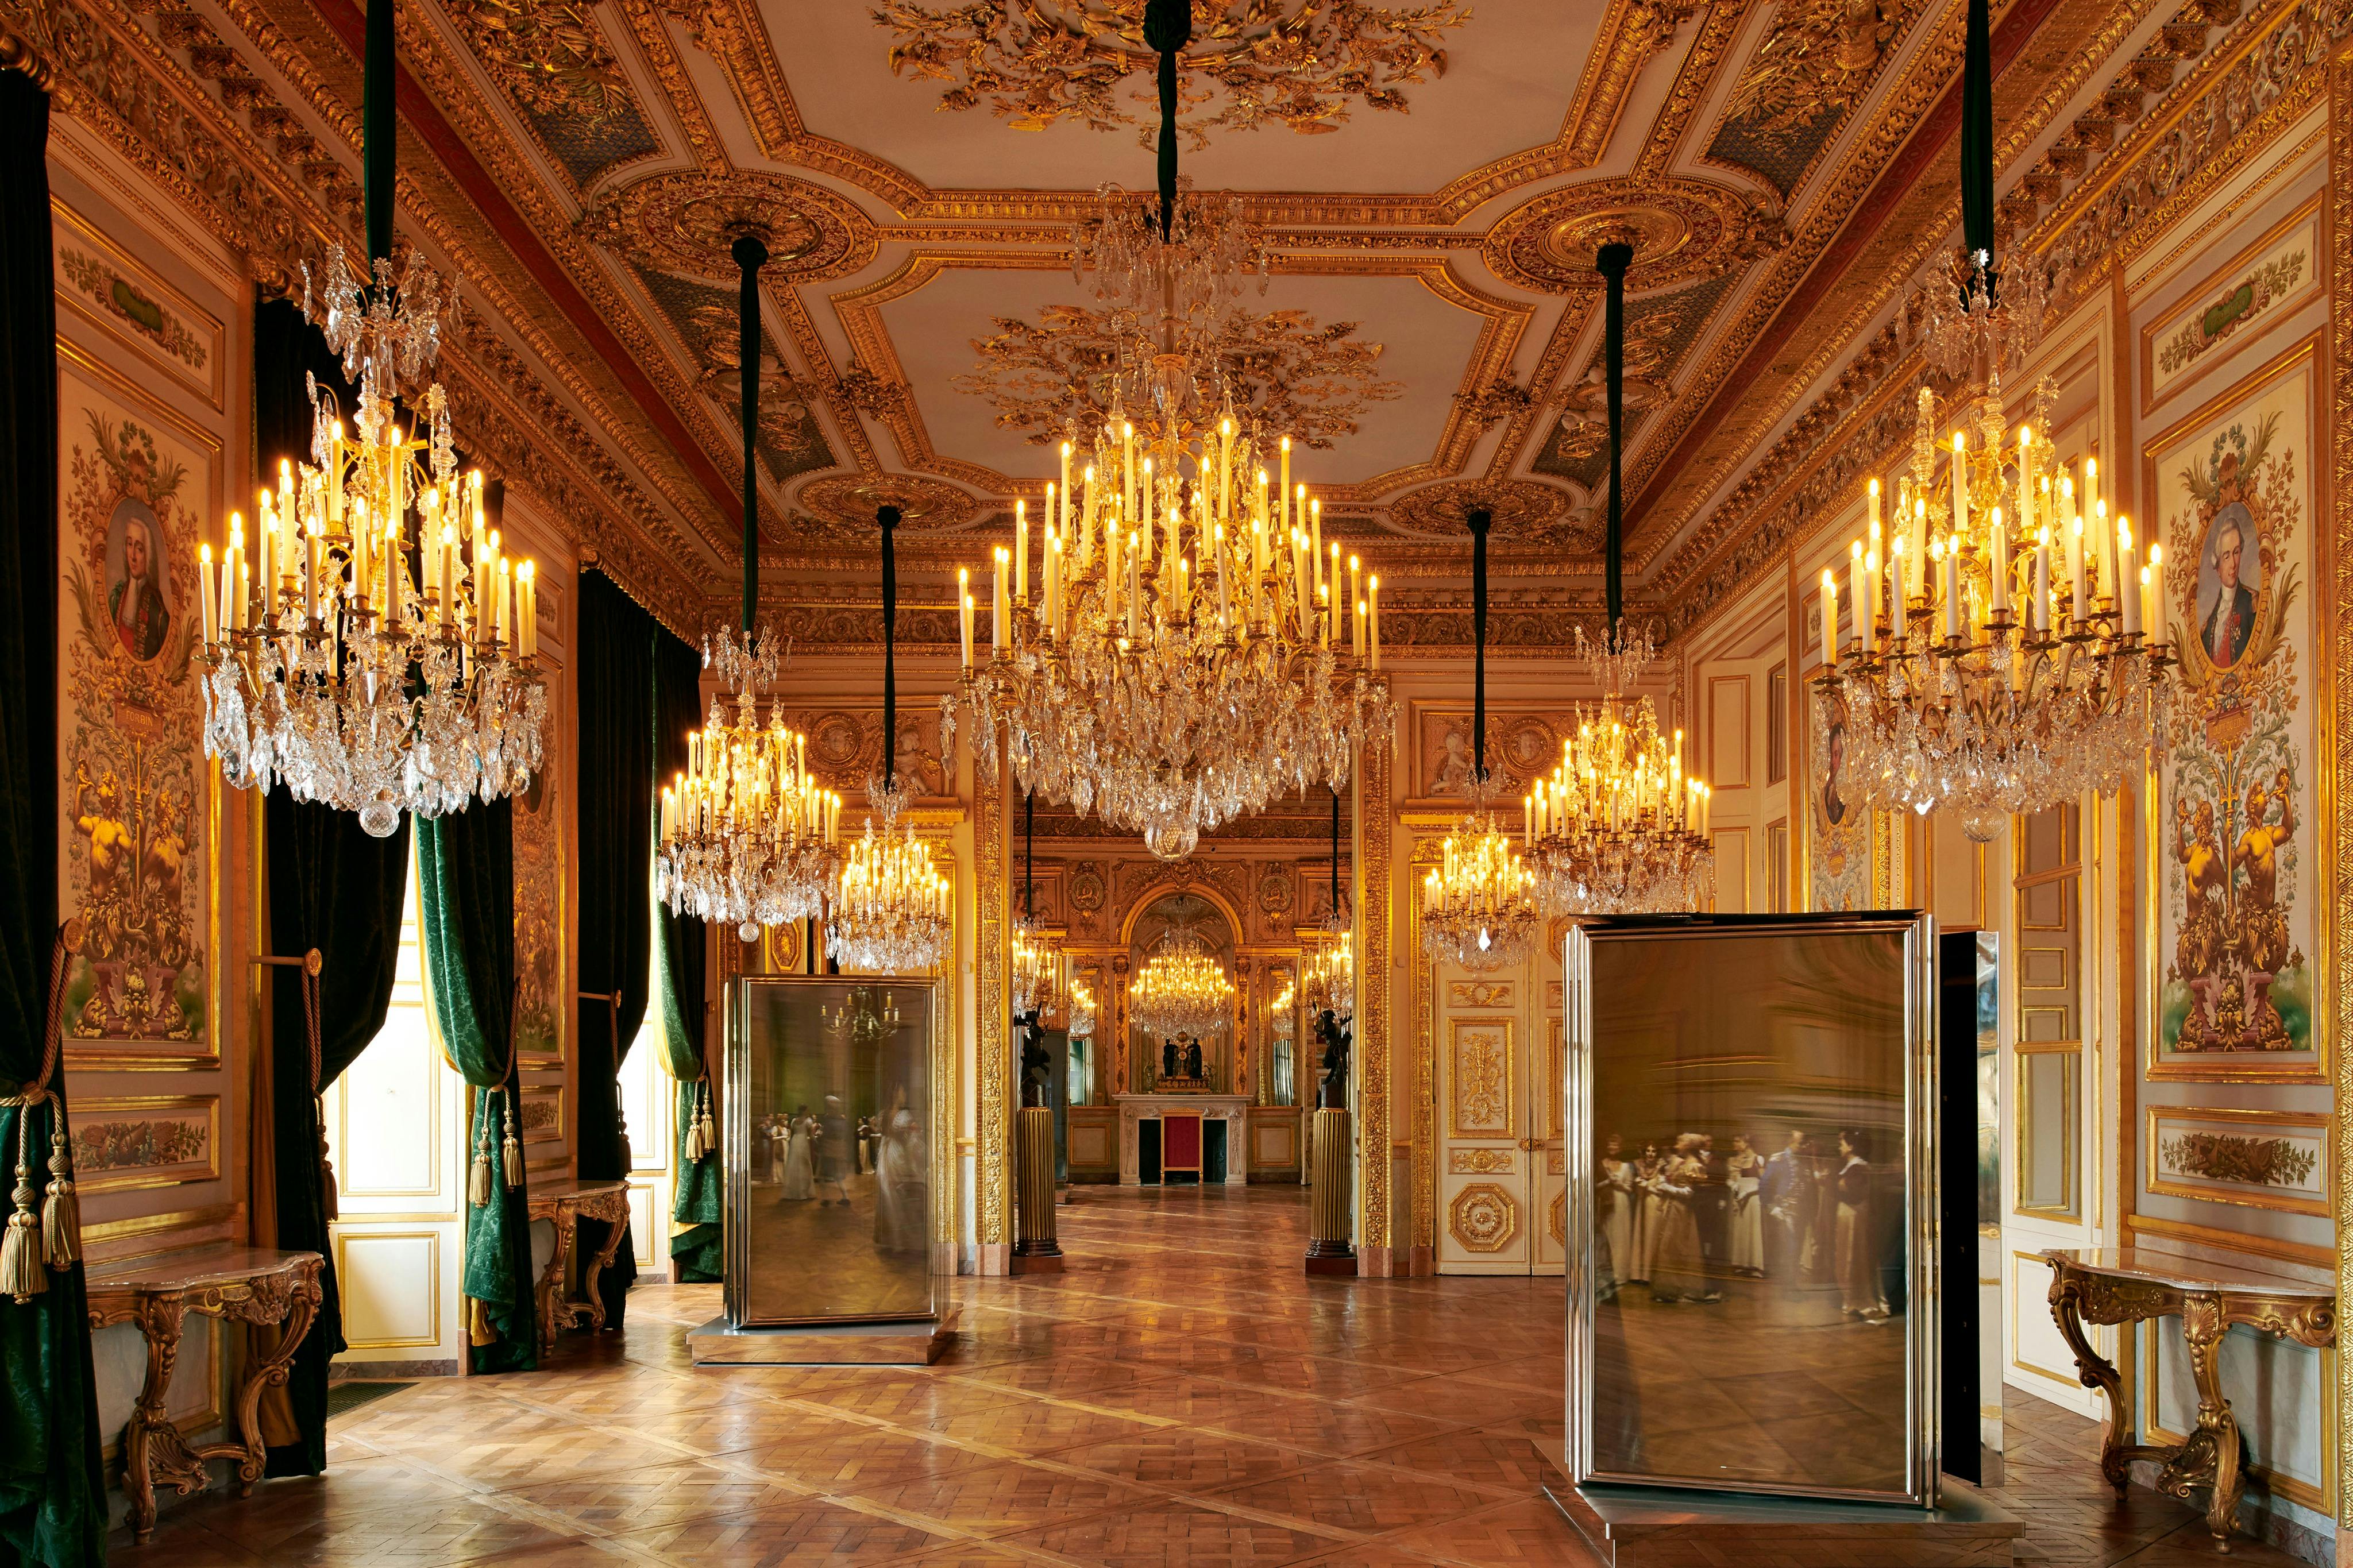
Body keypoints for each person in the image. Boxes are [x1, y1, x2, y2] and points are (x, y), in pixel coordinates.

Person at [1647, 1134, 1717, 1303]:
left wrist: (1666, 1187)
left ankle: (1680, 1289)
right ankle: (1668, 1289)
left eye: (1680, 1143)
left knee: (1679, 1248)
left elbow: (1689, 1192)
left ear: (1689, 1146)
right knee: (1670, 1248)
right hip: (1674, 1209)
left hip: (1683, 1211)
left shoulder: (1694, 1165)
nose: (1677, 1146)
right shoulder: (1683, 1163)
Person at [1835, 1130, 1888, 1320]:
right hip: (1847, 1217)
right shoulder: (1850, 1167)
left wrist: (1841, 1186)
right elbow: (1838, 1187)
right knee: (1846, 1258)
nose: (1839, 1147)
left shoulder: (1859, 1167)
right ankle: (1850, 1299)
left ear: (1851, 1147)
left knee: (1855, 1257)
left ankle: (1859, 1299)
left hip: (1854, 1219)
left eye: (1842, 1144)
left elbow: (1852, 1192)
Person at [110, 515, 169, 661]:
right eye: (130, 545)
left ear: (148, 555)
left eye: (140, 549)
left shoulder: (158, 611)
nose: (133, 556)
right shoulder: (119, 596)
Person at [2201, 515, 2256, 669]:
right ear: (2218, 567)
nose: (2233, 564)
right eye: (2226, 557)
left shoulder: (2252, 603)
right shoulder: (2208, 626)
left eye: (2236, 552)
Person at [874, 1098, 925, 1252]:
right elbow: (913, 1134)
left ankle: (894, 1238)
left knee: (892, 1195)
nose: (903, 1097)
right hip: (894, 1155)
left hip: (888, 1153)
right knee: (893, 1197)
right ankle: (896, 1239)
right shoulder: (901, 1115)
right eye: (901, 1093)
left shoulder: (885, 1115)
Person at [1761, 1130, 1808, 1281]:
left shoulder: (1804, 1160)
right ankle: (1787, 1285)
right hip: (1784, 1211)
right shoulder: (1778, 1159)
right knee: (1788, 1249)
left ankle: (1791, 1284)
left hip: (1801, 1212)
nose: (1803, 1146)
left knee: (1797, 1249)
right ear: (1791, 1142)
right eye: (1800, 1143)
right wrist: (1771, 1207)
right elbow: (1765, 1184)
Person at [1598, 1134, 1634, 1301]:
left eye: (1616, 1145)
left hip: (1622, 1202)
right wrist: (1608, 1182)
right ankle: (1609, 1274)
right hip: (1607, 1202)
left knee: (1621, 1238)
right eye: (1611, 1145)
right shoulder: (1603, 1164)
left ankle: (1621, 1275)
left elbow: (1630, 1188)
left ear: (1620, 1148)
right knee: (1609, 1237)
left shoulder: (1626, 1167)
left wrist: (1619, 1184)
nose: (1613, 1148)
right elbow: (1595, 1185)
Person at [1727, 1134, 1764, 1276]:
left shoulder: (1758, 1159)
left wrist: (1748, 1192)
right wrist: (1736, 1186)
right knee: (1742, 1230)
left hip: (1753, 1198)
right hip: (1742, 1199)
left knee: (1754, 1231)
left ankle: (1756, 1266)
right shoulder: (1742, 1161)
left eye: (1740, 1142)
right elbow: (1737, 1179)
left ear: (1747, 1143)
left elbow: (1763, 1182)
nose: (1738, 1145)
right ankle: (1743, 1263)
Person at [819, 1094, 854, 1207]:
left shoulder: (828, 1120)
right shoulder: (842, 1120)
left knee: (823, 1176)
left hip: (829, 1150)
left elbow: (826, 1136)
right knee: (837, 1177)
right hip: (839, 1150)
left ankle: (827, 1198)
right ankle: (845, 1198)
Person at [779, 1107, 814, 1201]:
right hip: (803, 1142)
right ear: (805, 1111)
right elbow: (811, 1135)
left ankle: (793, 1191)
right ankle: (803, 1191)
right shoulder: (808, 1121)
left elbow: (792, 1134)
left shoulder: (794, 1121)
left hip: (795, 1141)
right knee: (804, 1165)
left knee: (794, 1165)